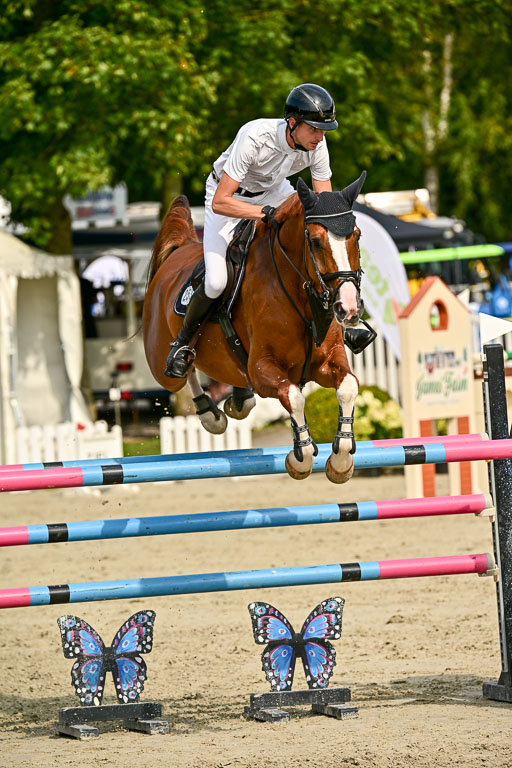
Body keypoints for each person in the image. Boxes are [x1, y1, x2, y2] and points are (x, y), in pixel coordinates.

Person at [165, 83, 369, 379]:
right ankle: (182, 344)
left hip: (275, 192)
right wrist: (265, 214)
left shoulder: (316, 144)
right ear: (292, 123)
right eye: (314, 128)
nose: (320, 136)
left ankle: (343, 323)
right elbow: (223, 201)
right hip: (228, 198)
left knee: (323, 249)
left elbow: (322, 206)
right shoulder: (254, 137)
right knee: (216, 281)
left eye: (324, 129)